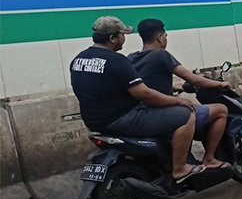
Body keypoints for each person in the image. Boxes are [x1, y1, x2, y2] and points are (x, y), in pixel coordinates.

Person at [70, 16, 206, 182]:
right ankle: (180, 168)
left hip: (95, 121)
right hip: (125, 118)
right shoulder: (117, 60)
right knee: (186, 114)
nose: (124, 39)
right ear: (112, 38)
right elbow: (144, 94)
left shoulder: (78, 60)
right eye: (122, 34)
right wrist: (178, 100)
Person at [128, 19, 232, 170]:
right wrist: (220, 84)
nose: (165, 39)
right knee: (221, 110)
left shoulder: (131, 58)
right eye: (165, 36)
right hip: (163, 112)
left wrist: (173, 87)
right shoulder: (161, 55)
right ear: (159, 37)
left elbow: (145, 85)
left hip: (143, 112)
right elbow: (194, 80)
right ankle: (209, 158)